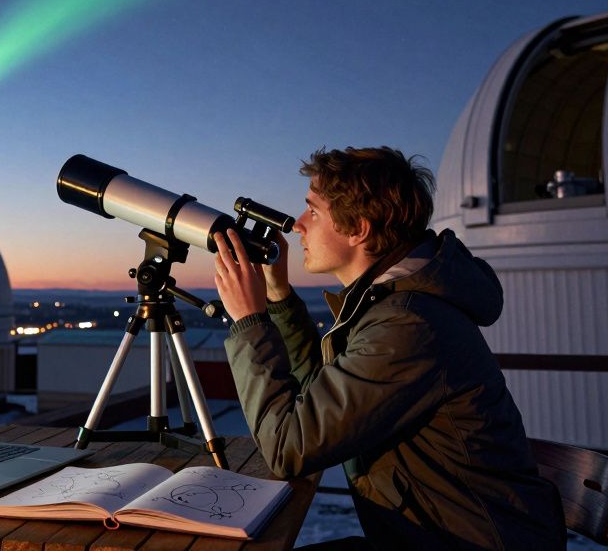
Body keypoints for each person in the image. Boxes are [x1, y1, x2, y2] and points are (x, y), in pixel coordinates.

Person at [212, 146, 565, 550]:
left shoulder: (408, 325)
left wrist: (249, 320)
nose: (299, 225)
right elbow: (319, 397)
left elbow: (288, 447)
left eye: (313, 211)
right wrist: (277, 296)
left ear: (358, 230)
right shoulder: (390, 305)